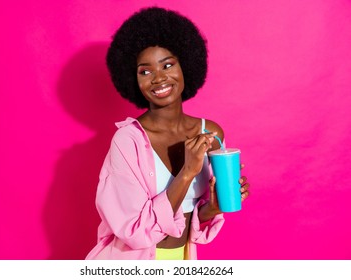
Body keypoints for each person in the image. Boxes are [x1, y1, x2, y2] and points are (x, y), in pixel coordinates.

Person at [85, 6, 250, 260]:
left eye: (168, 65)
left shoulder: (211, 133)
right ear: (133, 79)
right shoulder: (128, 140)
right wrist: (187, 173)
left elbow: (193, 219)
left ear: (185, 66)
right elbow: (136, 232)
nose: (158, 78)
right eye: (145, 71)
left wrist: (213, 208)